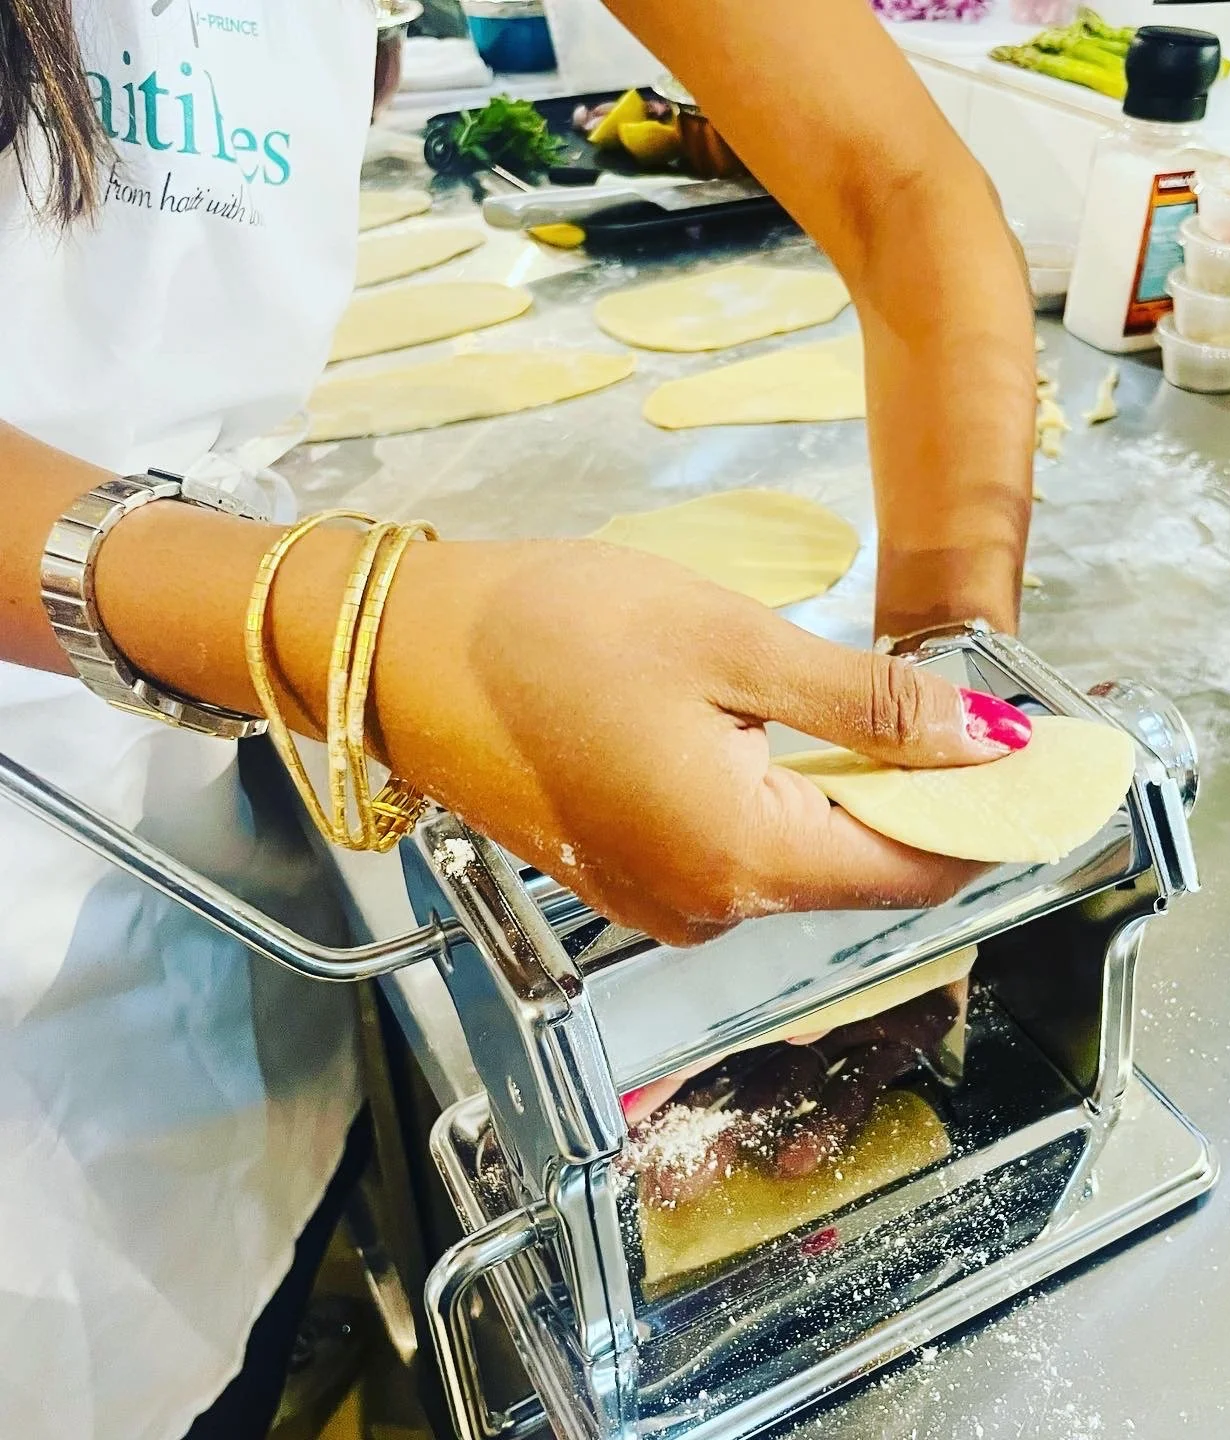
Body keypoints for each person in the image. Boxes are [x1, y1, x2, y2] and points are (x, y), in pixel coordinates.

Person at [0, 0, 1036, 1435]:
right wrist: (365, 626)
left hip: (212, 881)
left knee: (229, 1329)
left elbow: (900, 185)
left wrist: (943, 705)